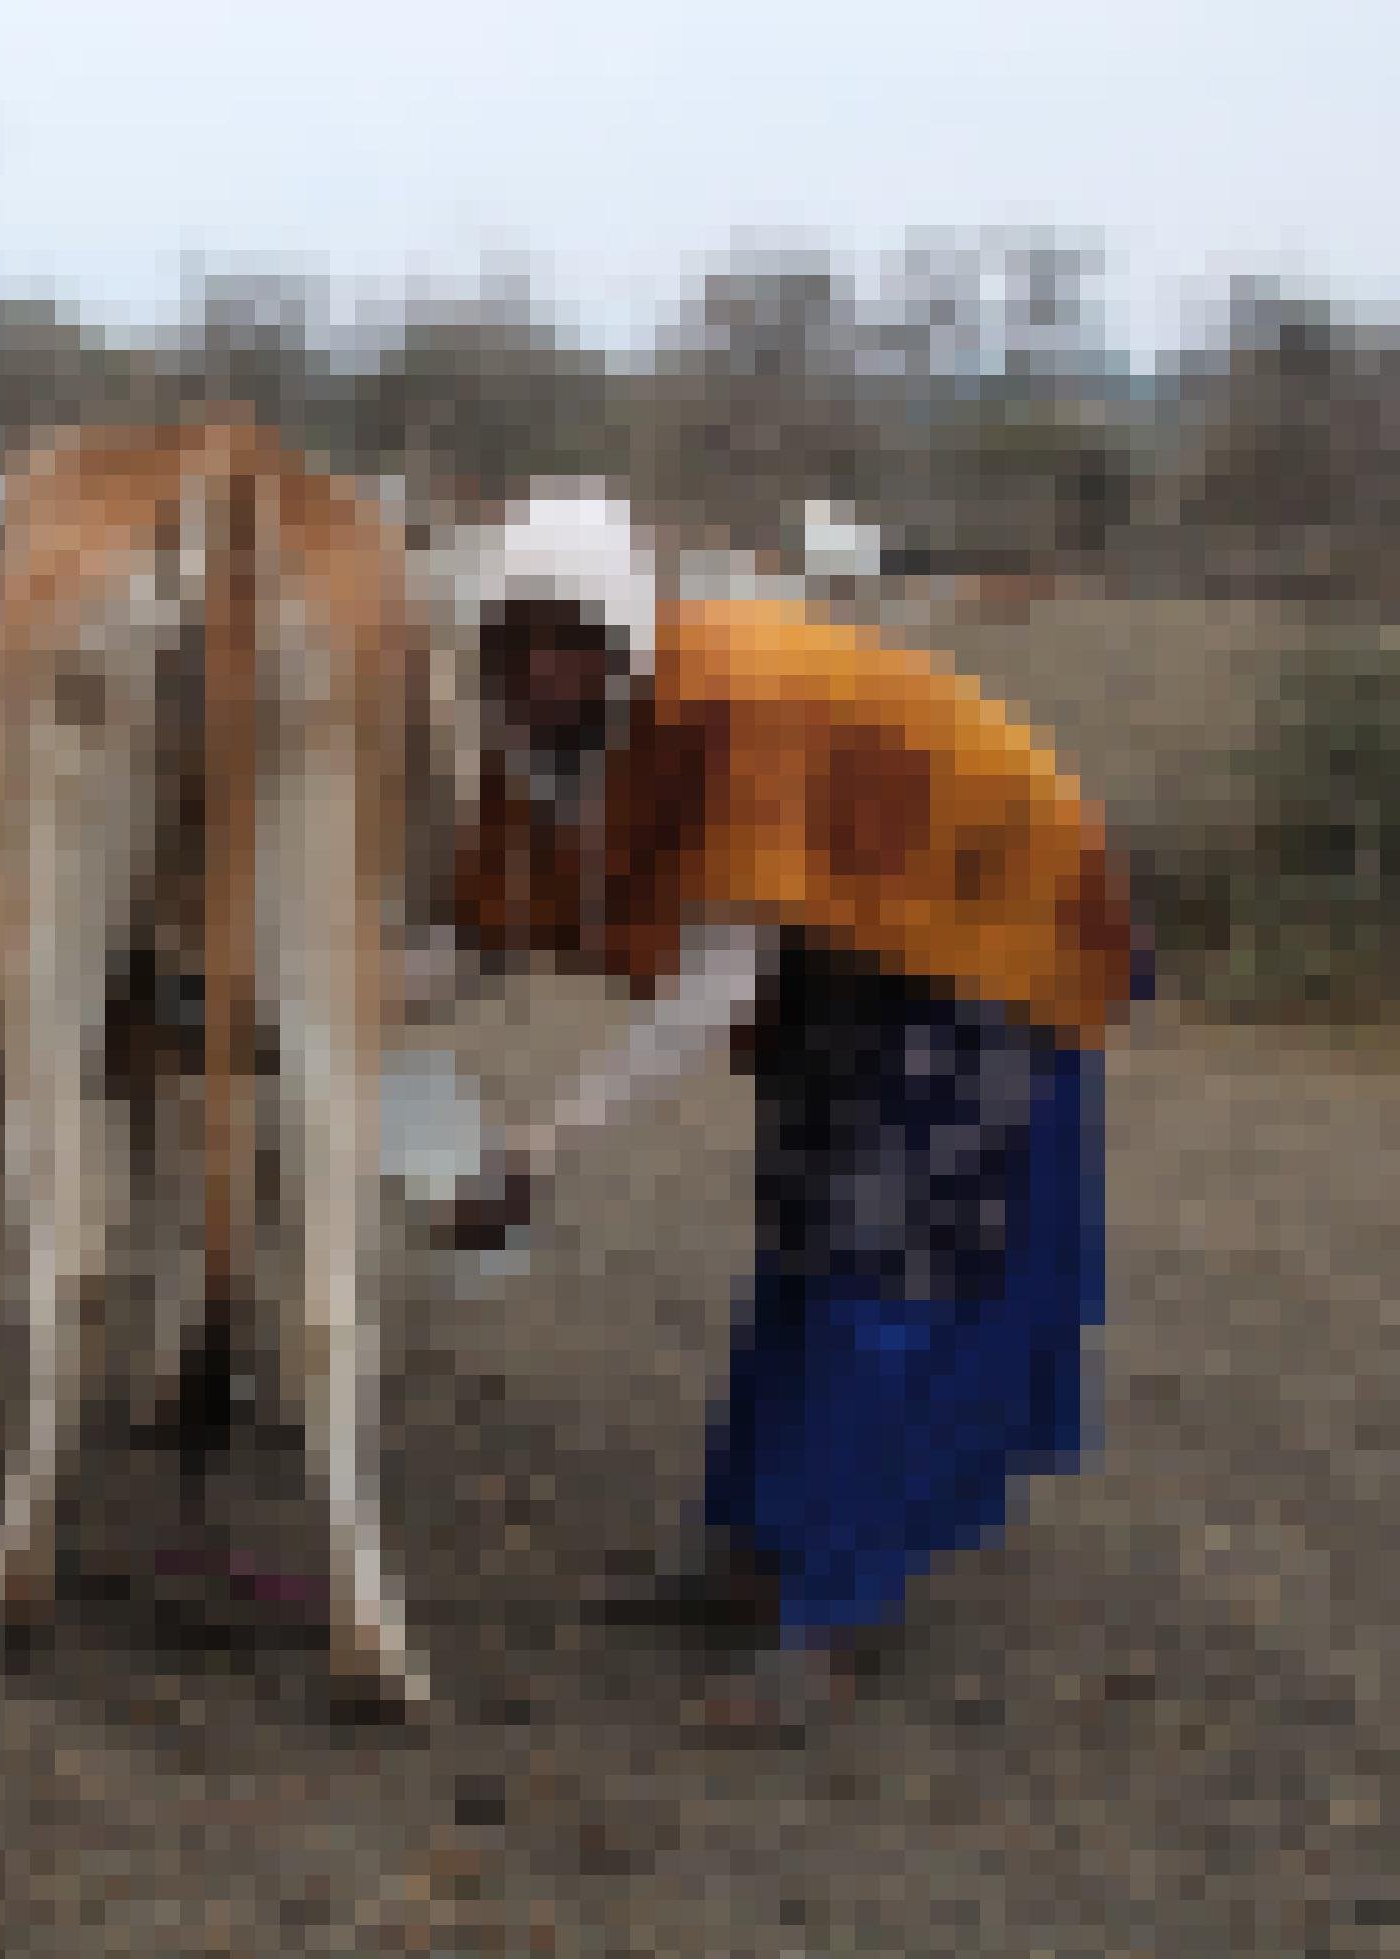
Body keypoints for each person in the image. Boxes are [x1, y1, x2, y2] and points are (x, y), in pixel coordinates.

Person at [431, 495, 1143, 1742]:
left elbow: (715, 980)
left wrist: (538, 1147)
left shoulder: (730, 716)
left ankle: (826, 1616)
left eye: (567, 638)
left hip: (981, 931)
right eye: (513, 638)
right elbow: (507, 925)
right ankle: (746, 1556)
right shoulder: (558, 737)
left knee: (886, 1280)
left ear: (621, 638)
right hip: (845, 938)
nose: (539, 669)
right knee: (801, 1247)